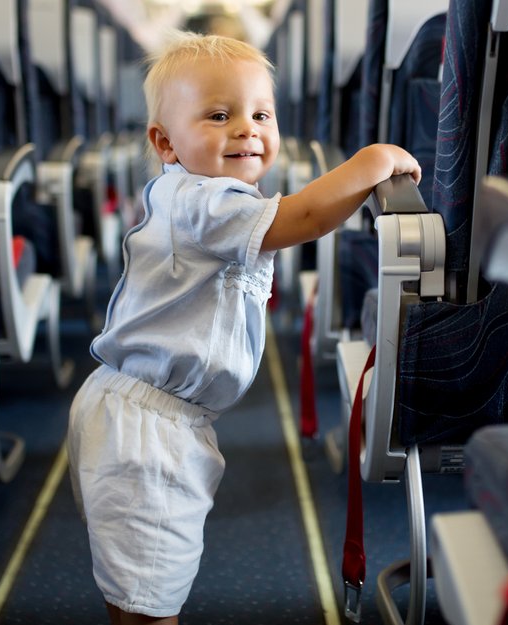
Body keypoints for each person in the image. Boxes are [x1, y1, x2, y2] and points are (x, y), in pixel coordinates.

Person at [67, 31, 421, 625]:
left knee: (139, 590)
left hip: (144, 414)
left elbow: (305, 218)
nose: (246, 128)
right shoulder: (206, 204)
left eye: (261, 113)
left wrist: (354, 191)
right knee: (148, 603)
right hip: (148, 431)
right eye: (218, 115)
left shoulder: (205, 196)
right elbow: (304, 217)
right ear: (165, 142)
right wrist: (370, 164)